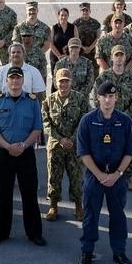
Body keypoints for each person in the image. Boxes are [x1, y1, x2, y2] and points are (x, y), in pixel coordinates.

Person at [76, 80, 132, 264]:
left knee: (118, 215)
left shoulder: (125, 121)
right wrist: (100, 174)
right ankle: (87, 251)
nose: (108, 100)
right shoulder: (87, 120)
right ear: (98, 98)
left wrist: (117, 174)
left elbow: (130, 152)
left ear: (116, 98)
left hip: (117, 175)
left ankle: (119, 252)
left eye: (111, 96)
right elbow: (83, 152)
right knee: (90, 214)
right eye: (104, 96)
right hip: (95, 174)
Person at [0, 66, 46, 247]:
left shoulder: (32, 101)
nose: (15, 81)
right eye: (11, 78)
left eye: (18, 78)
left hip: (25, 153)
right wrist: (7, 146)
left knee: (29, 194)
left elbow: (37, 128)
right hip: (5, 153)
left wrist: (23, 145)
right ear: (6, 81)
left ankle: (34, 233)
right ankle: (1, 231)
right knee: (4, 195)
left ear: (23, 81)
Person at [93, 45, 132, 190]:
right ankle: (104, 174)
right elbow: (96, 97)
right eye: (117, 55)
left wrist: (127, 114)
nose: (119, 58)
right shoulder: (103, 77)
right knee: (106, 145)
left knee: (129, 147)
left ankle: (127, 177)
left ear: (125, 57)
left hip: (127, 118)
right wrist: (106, 113)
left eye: (122, 55)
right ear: (111, 58)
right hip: (107, 117)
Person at [42, 68, 90, 221]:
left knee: (76, 177)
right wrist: (60, 139)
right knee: (54, 178)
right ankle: (53, 206)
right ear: (56, 83)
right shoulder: (49, 100)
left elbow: (84, 121)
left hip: (75, 146)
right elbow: (46, 123)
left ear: (71, 82)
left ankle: (78, 206)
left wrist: (72, 138)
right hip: (56, 146)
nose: (63, 84)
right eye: (61, 81)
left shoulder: (80, 99)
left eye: (66, 81)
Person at [49, 6, 78, 76]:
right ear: (58, 16)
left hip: (70, 58)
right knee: (56, 78)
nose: (64, 17)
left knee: (69, 77)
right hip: (56, 57)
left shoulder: (73, 27)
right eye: (62, 15)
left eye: (65, 15)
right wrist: (59, 56)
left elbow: (76, 43)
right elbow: (50, 43)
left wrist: (68, 55)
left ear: (68, 16)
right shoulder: (54, 28)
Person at [73, 1, 102, 67]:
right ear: (80, 12)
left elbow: (98, 37)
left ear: (90, 11)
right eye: (83, 10)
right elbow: (75, 38)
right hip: (80, 52)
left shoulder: (95, 23)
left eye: (87, 10)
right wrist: (83, 48)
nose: (85, 12)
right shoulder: (76, 23)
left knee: (94, 72)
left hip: (93, 52)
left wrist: (90, 48)